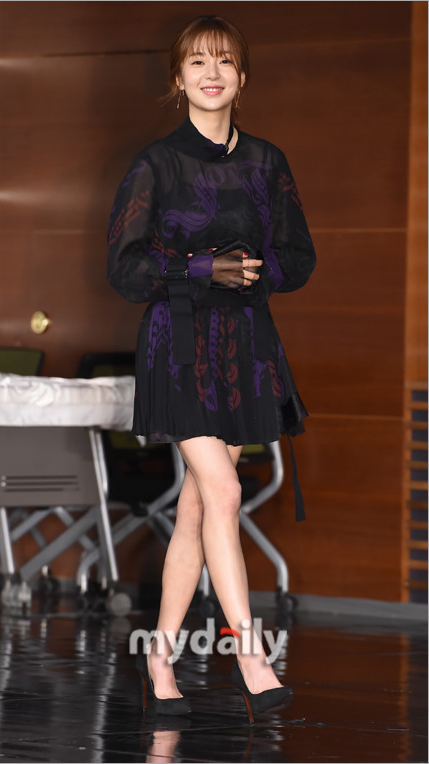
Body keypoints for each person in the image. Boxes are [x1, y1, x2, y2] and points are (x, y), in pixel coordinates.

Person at [107, 15, 316, 721]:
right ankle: (250, 653)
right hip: (179, 344)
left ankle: (160, 657)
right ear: (179, 78)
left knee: (198, 509)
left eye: (224, 60)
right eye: (197, 61)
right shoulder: (156, 164)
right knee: (223, 492)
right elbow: (125, 269)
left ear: (242, 76)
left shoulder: (267, 161)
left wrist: (252, 271)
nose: (211, 72)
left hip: (246, 346)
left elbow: (299, 257)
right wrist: (200, 268)